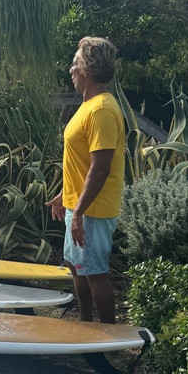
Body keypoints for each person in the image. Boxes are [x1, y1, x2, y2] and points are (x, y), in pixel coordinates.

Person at [47, 36, 125, 328]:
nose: (71, 70)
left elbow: (100, 168)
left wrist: (79, 211)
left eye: (75, 63)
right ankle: (84, 324)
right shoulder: (88, 105)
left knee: (94, 273)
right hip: (78, 205)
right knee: (77, 268)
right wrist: (63, 195)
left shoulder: (102, 109)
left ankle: (107, 336)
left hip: (92, 210)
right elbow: (81, 165)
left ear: (88, 70)